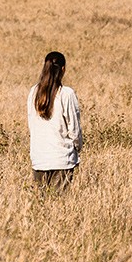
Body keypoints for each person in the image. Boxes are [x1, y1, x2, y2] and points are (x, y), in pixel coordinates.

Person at [27, 51, 83, 190]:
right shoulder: (67, 93)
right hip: (61, 158)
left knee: (41, 204)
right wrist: (78, 147)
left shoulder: (33, 92)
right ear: (63, 69)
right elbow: (74, 129)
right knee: (59, 204)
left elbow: (31, 125)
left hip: (39, 158)